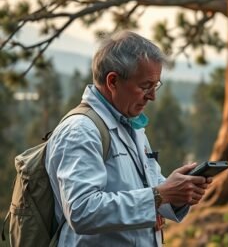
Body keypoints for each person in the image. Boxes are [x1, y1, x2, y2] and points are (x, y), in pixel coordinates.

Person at [45, 30, 212, 246]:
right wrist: (159, 195)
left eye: (156, 85)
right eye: (145, 86)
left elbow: (145, 190)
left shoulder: (131, 125)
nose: (152, 96)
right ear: (113, 81)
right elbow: (82, 211)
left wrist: (178, 193)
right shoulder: (81, 130)